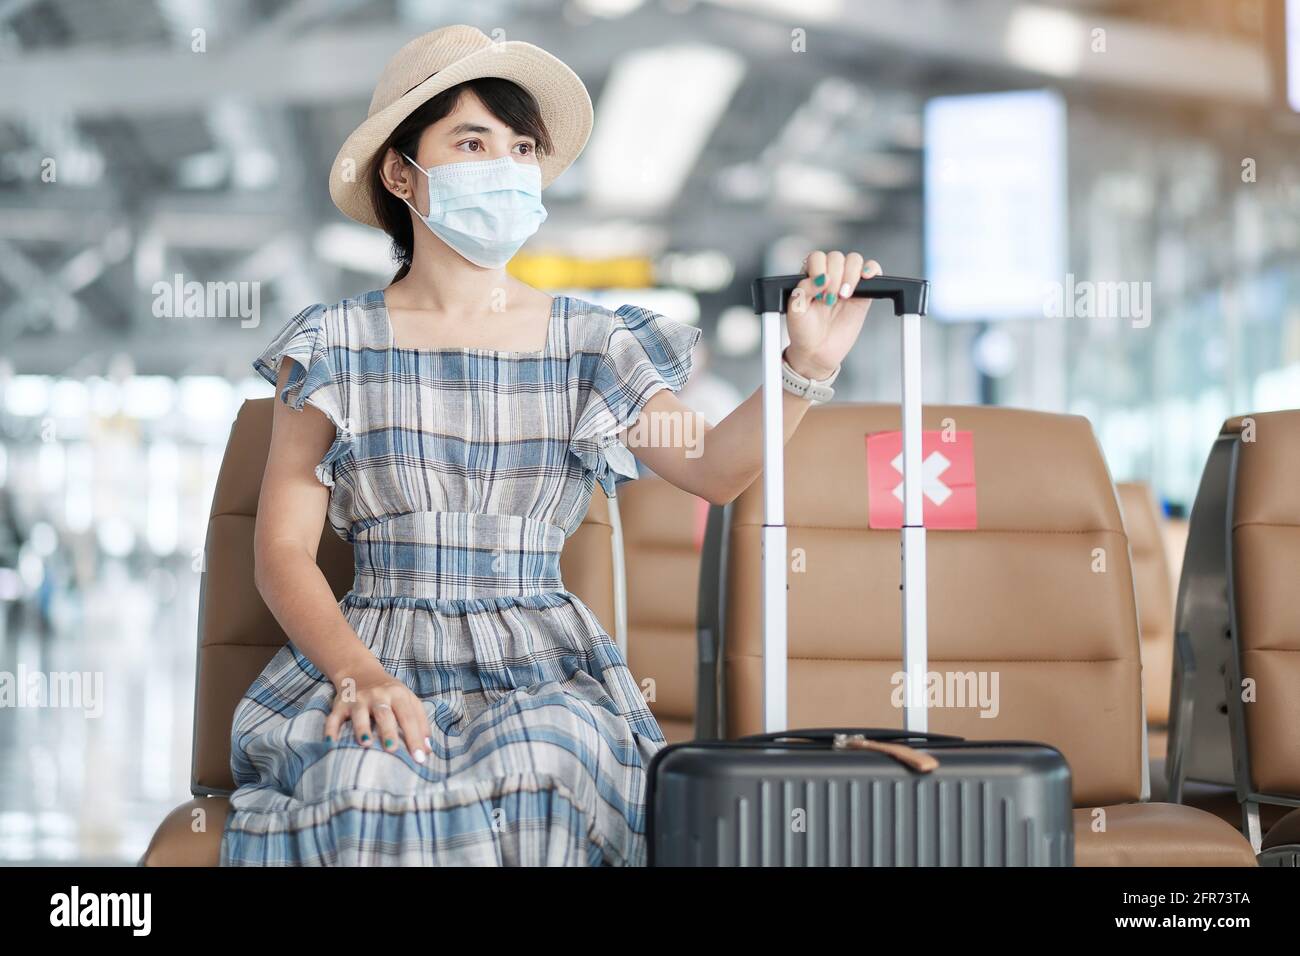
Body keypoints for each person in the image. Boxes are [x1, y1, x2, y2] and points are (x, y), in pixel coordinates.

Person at [220, 23, 882, 866]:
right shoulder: (334, 346)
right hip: (371, 649)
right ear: (400, 172)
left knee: (546, 769)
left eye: (521, 147)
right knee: (361, 786)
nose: (505, 165)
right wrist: (361, 675)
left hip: (540, 659)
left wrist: (803, 366)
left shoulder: (592, 344)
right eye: (472, 141)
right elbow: (281, 552)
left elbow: (715, 469)